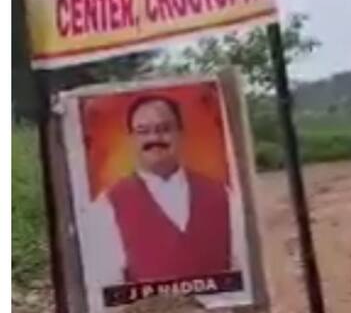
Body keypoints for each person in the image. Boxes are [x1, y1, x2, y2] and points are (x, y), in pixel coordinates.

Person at [85, 95, 244, 288]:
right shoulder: (108, 204)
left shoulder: (222, 194)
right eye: (143, 131)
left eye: (164, 129)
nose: (154, 138)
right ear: (131, 139)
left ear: (180, 133)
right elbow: (108, 285)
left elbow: (243, 267)